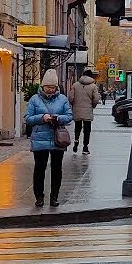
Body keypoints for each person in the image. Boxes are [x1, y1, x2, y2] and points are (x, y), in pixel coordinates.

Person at [26, 69, 73, 207]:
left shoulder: (62, 99)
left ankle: (54, 197)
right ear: (43, 86)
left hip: (58, 139)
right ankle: (39, 197)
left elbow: (69, 116)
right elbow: (28, 118)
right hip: (40, 138)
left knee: (57, 169)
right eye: (48, 87)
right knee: (39, 169)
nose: (51, 90)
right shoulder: (34, 99)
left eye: (53, 87)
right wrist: (42, 118)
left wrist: (58, 118)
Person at [68, 69, 100, 154]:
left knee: (77, 127)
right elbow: (96, 98)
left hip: (77, 110)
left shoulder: (75, 85)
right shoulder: (93, 86)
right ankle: (85, 147)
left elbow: (70, 98)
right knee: (87, 130)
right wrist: (93, 105)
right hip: (88, 110)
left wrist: (73, 104)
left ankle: (76, 141)